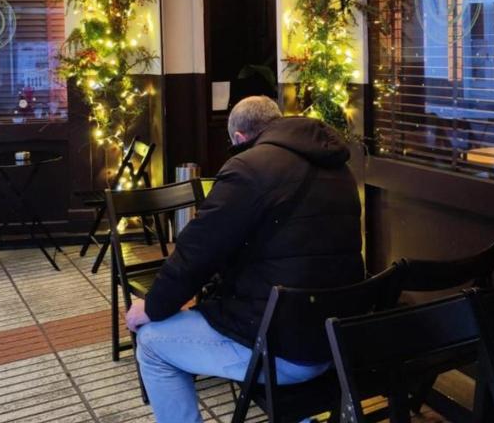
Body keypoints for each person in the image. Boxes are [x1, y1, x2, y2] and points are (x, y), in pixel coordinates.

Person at [125, 95, 364, 423]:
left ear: (239, 138)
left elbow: (196, 252)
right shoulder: (339, 167)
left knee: (151, 343)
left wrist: (151, 307)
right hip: (338, 340)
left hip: (282, 348)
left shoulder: (250, 167)